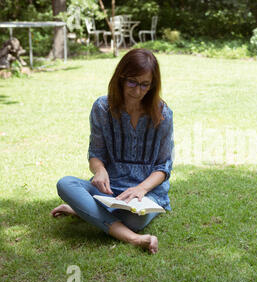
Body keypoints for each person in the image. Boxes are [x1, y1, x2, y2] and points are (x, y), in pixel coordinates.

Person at [50, 49, 174, 254]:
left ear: (153, 85)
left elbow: (164, 166)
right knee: (66, 184)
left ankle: (85, 211)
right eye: (132, 82)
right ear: (121, 78)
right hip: (110, 189)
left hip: (147, 192)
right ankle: (133, 238)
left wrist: (141, 189)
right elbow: (96, 153)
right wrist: (99, 171)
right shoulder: (102, 108)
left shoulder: (162, 115)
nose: (137, 90)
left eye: (145, 84)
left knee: (134, 219)